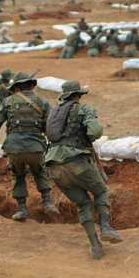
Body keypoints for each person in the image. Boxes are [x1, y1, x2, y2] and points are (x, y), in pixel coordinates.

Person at [45, 80, 122, 259]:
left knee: (83, 204)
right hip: (77, 161)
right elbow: (95, 131)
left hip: (53, 166)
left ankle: (95, 245)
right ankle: (105, 227)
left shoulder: (53, 114)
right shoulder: (83, 109)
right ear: (78, 96)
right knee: (101, 191)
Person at [0, 73, 59, 220]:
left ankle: (22, 210)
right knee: (39, 171)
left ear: (16, 88)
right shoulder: (42, 102)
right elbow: (49, 128)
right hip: (36, 147)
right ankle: (48, 203)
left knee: (17, 175)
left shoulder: (7, 101)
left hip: (14, 148)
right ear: (32, 86)